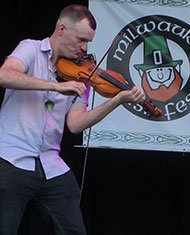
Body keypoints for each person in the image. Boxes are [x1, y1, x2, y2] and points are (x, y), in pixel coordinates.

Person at [0, 4, 145, 235]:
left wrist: (117, 101)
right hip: (11, 158)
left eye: (88, 42)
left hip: (50, 164)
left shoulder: (83, 74)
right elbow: (4, 75)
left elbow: (75, 124)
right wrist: (56, 86)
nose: (84, 48)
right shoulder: (31, 48)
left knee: (74, 230)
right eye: (80, 40)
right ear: (61, 29)